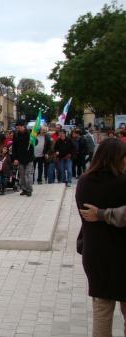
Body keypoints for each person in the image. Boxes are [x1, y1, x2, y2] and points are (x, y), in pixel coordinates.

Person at [75, 138, 126, 337]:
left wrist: (100, 215)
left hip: (96, 254)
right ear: (117, 158)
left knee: (102, 311)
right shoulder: (123, 183)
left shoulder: (84, 182)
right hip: (122, 254)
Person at [12, 120, 34, 196]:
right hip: (20, 158)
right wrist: (15, 158)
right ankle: (24, 189)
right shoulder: (16, 135)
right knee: (22, 175)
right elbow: (14, 147)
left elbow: (35, 142)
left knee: (28, 175)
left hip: (29, 158)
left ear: (23, 126)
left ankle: (29, 190)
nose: (17, 129)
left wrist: (34, 141)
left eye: (18, 127)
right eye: (16, 128)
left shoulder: (30, 134)